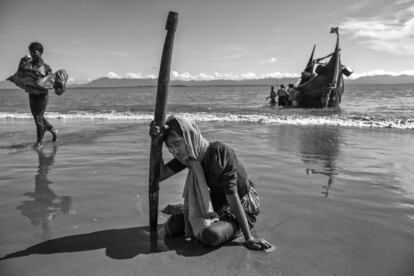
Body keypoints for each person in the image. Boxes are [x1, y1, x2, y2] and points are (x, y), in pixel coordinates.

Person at [149, 116, 273, 251]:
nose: (175, 151)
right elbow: (160, 175)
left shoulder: (219, 153)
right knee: (171, 227)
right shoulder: (190, 158)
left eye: (177, 143)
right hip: (216, 202)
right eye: (170, 147)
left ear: (190, 137)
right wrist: (157, 143)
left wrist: (249, 238)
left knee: (211, 236)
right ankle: (198, 211)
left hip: (241, 205)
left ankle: (239, 227)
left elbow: (232, 196)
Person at [15, 42, 58, 149]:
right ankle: (52, 130)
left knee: (38, 118)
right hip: (31, 94)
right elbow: (20, 74)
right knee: (38, 117)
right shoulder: (27, 65)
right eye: (31, 52)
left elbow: (51, 83)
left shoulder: (46, 68)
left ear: (41, 53)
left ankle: (39, 142)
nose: (32, 54)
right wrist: (21, 62)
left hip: (42, 96)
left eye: (35, 52)